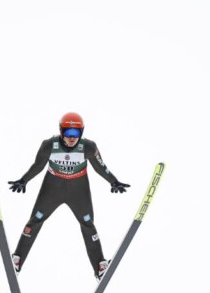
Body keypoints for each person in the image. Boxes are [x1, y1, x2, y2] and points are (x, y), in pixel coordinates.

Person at [8, 112, 130, 281]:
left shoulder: (88, 147)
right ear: (61, 131)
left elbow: (101, 167)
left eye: (77, 133)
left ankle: (100, 266)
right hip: (53, 187)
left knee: (87, 224)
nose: (72, 138)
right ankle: (17, 259)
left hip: (78, 189)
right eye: (68, 133)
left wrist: (113, 182)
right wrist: (24, 180)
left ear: (82, 133)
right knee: (35, 220)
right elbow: (37, 165)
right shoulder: (49, 145)